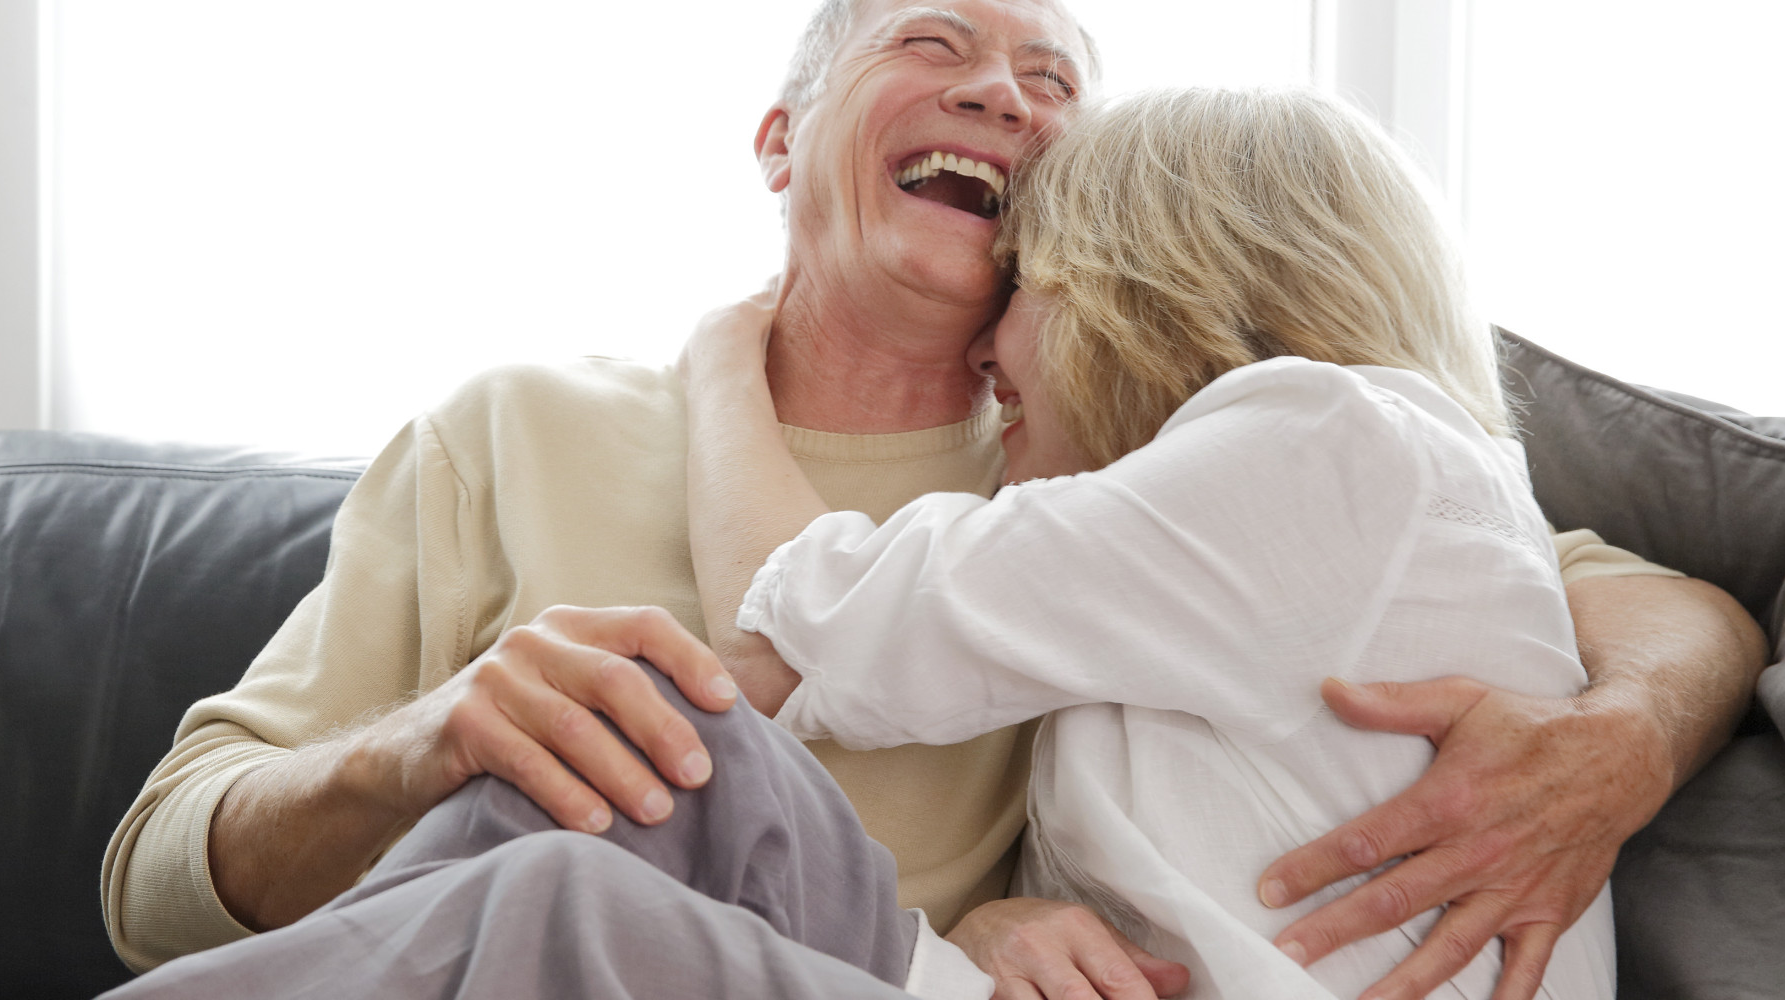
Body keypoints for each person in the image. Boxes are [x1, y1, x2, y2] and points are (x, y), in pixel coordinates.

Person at [101, 2, 1767, 998]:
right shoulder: (508, 430)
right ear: (780, 139)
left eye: (1056, 82)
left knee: (596, 844)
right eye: (936, 40)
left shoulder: (1170, 471)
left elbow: (1660, 608)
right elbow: (160, 880)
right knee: (629, 765)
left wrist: (1618, 743)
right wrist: (434, 736)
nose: (1007, 93)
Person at [679, 85, 1614, 998]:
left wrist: (723, 354)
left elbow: (784, 639)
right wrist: (999, 927)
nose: (984, 348)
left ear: (1134, 283)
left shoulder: (1323, 447)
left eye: (1024, 278)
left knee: (607, 843)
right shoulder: (1392, 481)